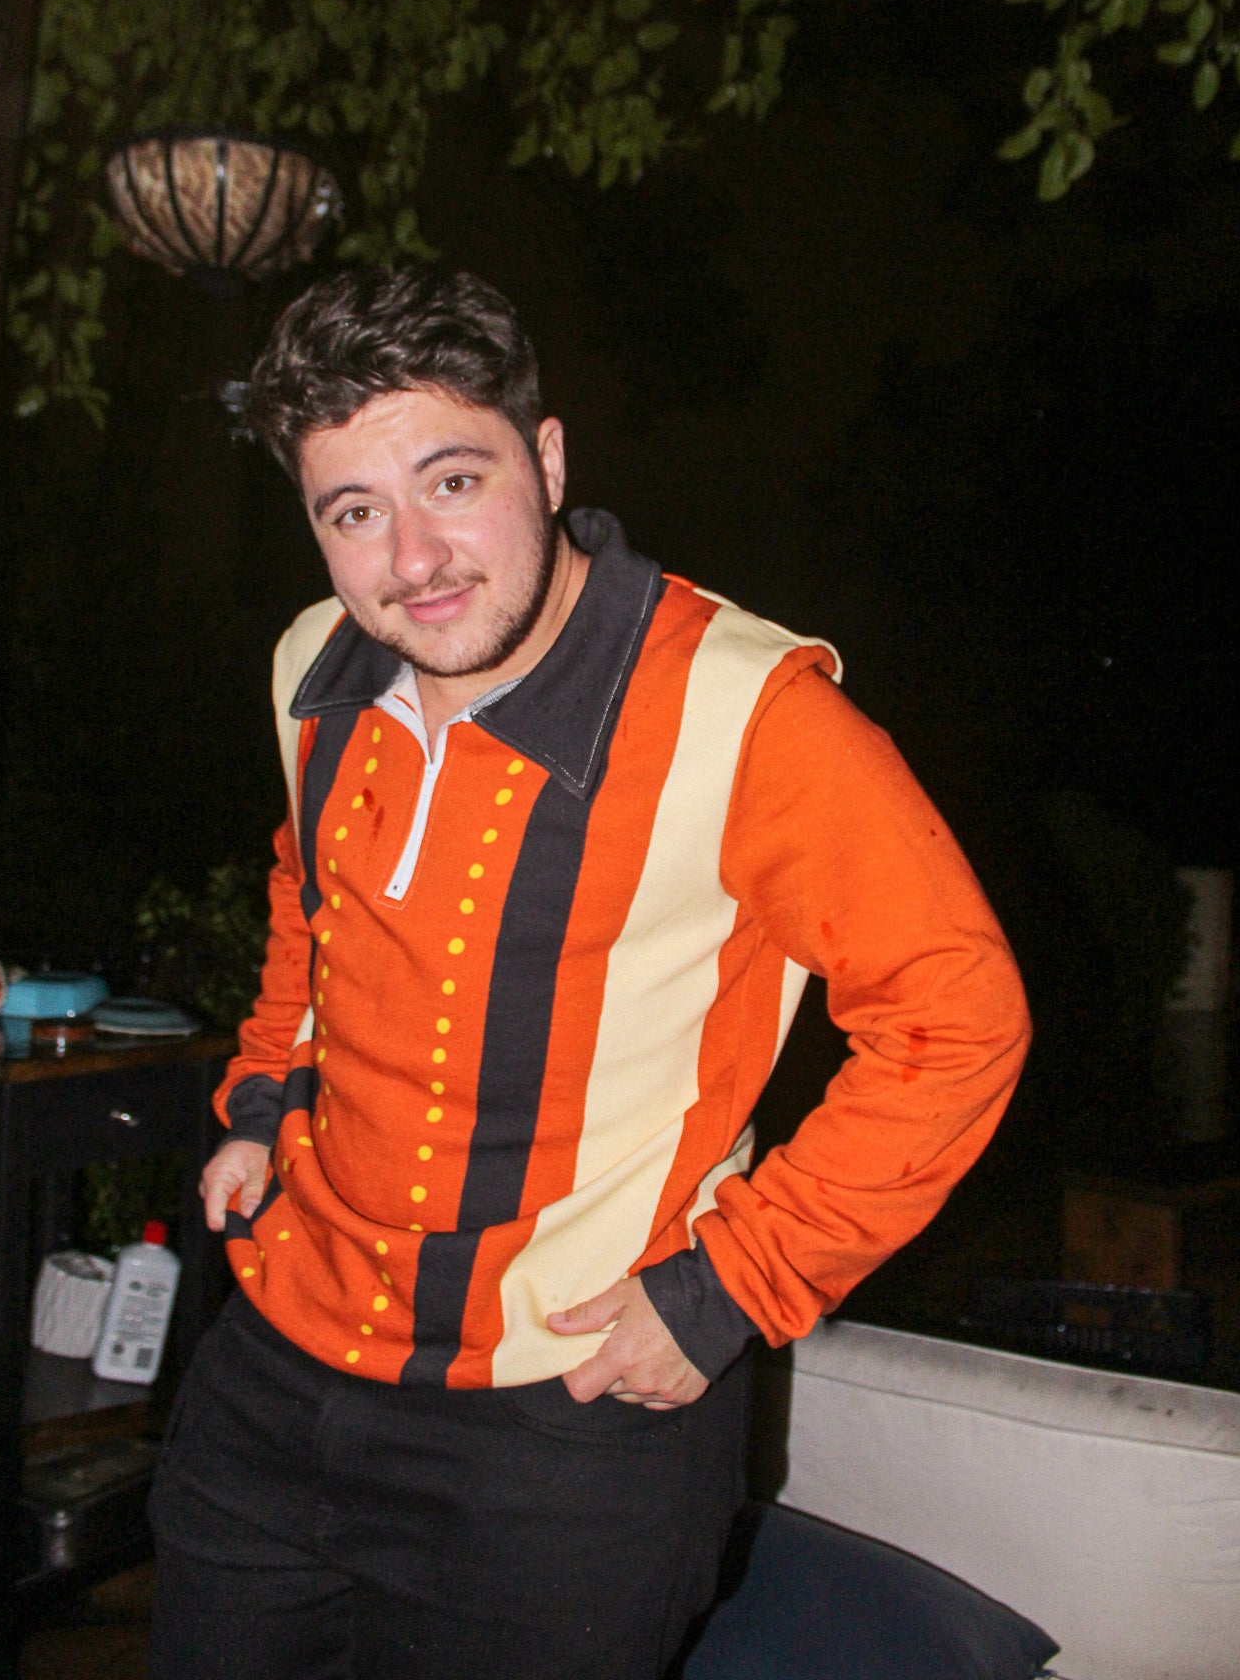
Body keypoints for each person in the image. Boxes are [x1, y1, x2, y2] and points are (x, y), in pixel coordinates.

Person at [147, 265, 1030, 1680]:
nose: (413, 559)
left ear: (547, 460)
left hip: (563, 1427)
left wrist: (736, 1284)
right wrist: (263, 1096)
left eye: (453, 481)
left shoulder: (748, 710)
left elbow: (956, 1019)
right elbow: (311, 894)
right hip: (274, 1369)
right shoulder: (315, 661)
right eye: (353, 512)